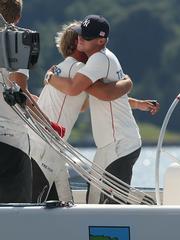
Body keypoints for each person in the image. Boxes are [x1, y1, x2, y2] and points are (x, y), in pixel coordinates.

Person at [45, 15, 159, 204]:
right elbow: (105, 95)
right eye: (80, 34)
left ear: (101, 41)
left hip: (118, 144)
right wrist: (134, 98)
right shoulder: (100, 59)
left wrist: (49, 76)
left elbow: (78, 89)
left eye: (86, 37)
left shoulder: (98, 58)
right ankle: (140, 203)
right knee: (94, 202)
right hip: (113, 144)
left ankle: (143, 206)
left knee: (103, 206)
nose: (80, 39)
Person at [30, 21, 134, 203]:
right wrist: (128, 83)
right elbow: (102, 92)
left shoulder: (63, 68)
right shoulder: (77, 70)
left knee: (64, 206)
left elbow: (88, 102)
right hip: (47, 147)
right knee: (39, 206)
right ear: (77, 46)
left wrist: (138, 104)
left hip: (47, 146)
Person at [0, 0, 64, 203]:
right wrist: (50, 127)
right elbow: (19, 91)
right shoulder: (16, 43)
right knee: (18, 212)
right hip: (11, 142)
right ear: (18, 17)